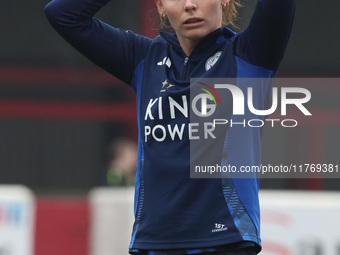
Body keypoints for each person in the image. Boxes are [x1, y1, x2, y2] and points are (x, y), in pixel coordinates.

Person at [45, 0, 295, 254]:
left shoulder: (250, 55)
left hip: (225, 242)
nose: (189, 5)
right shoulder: (142, 58)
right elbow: (63, 15)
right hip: (152, 243)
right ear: (161, 6)